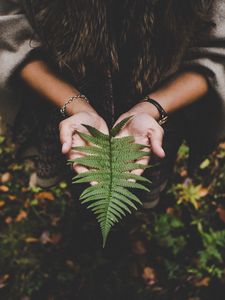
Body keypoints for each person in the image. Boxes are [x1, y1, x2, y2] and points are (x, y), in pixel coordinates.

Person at [0, 0, 225, 208]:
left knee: (141, 176)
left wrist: (151, 108)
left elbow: (218, 48)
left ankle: (121, 214)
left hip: (160, 103)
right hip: (60, 93)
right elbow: (9, 31)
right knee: (77, 169)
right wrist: (75, 105)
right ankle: (85, 205)